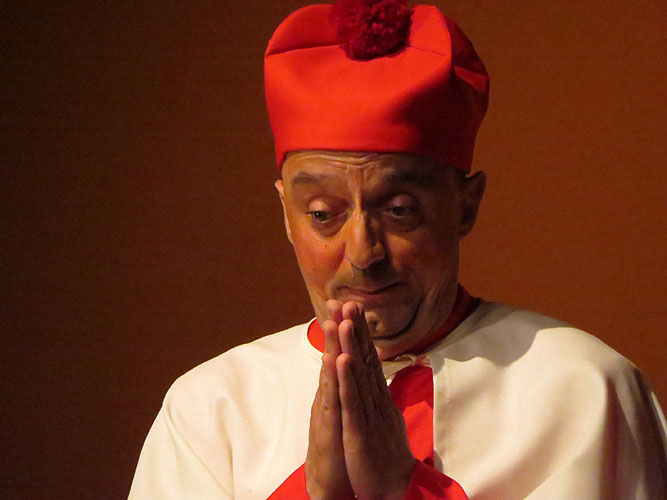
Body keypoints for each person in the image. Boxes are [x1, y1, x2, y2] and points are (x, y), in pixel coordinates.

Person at [128, 1, 667, 499]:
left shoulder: (584, 389)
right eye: (323, 214)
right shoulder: (213, 407)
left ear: (465, 207)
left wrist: (401, 488)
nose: (363, 253)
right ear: (286, 216)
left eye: (400, 209)